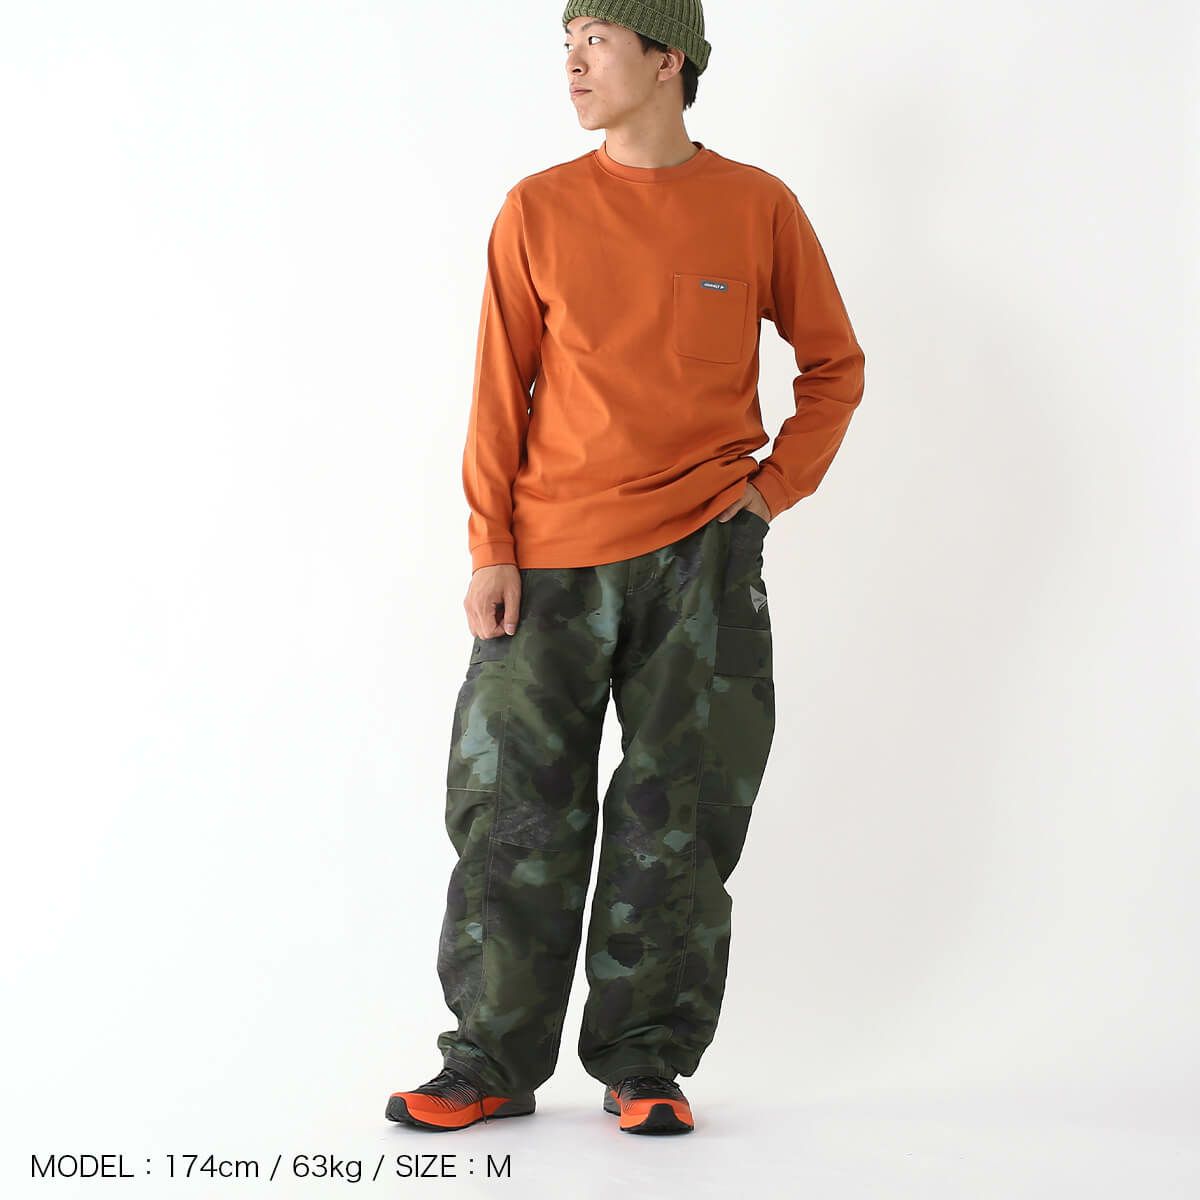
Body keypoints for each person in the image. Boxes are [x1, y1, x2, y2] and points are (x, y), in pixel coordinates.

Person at [386, 0, 864, 1136]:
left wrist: (766, 497)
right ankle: (488, 1061)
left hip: (704, 560)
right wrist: (491, 546)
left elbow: (834, 367)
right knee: (510, 812)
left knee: (679, 816)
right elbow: (498, 393)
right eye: (567, 42)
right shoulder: (538, 209)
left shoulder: (757, 207)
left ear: (668, 60)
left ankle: (646, 1062)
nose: (572, 62)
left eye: (596, 40)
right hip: (548, 562)